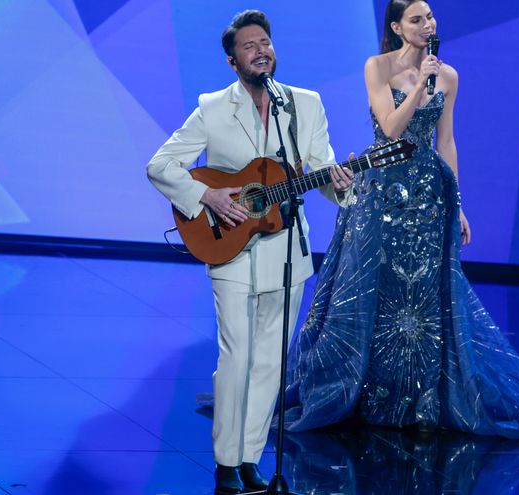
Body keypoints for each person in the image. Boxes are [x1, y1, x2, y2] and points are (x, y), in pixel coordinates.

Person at [283, 0, 519, 438]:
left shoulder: (448, 76)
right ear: (397, 27)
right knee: (373, 289)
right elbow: (390, 127)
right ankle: (361, 389)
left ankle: (418, 396)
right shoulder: (378, 67)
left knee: (420, 298)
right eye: (417, 19)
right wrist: (418, 87)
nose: (428, 25)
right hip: (381, 191)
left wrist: (459, 202)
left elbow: (446, 142)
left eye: (429, 17)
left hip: (428, 196)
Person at [146, 10, 353, 495]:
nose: (261, 50)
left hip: (286, 249)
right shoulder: (213, 108)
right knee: (237, 355)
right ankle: (224, 464)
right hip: (230, 246)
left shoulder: (304, 104)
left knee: (271, 361)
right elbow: (161, 165)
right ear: (231, 60)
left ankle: (250, 460)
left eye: (266, 42)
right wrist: (207, 196)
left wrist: (341, 184)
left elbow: (320, 168)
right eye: (249, 45)